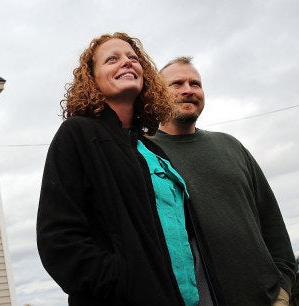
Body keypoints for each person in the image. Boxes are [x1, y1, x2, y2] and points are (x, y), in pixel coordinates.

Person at [37, 32, 201, 305]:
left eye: (133, 58)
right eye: (112, 59)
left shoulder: (154, 151)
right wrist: (125, 283)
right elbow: (59, 241)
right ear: (92, 79)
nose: (126, 63)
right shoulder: (78, 134)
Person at [153, 56, 296, 306]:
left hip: (267, 299)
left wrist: (282, 290)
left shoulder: (230, 146)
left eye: (195, 84)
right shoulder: (143, 154)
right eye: (176, 84)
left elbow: (272, 222)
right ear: (156, 93)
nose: (188, 90)